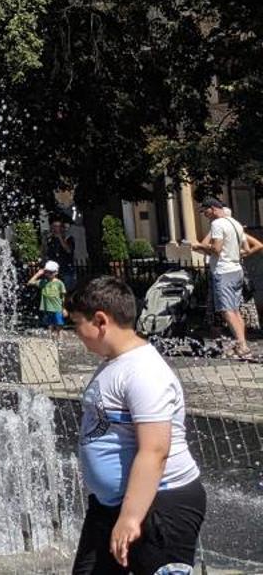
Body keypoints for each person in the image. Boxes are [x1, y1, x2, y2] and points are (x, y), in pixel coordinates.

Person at [67, 275, 205, 574]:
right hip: (113, 506)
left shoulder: (144, 371)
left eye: (77, 323)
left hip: (159, 505)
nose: (75, 333)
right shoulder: (116, 363)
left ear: (101, 320)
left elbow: (155, 449)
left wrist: (130, 517)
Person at [190, 198, 259, 359]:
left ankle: (242, 346)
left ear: (213, 209)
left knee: (227, 310)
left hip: (224, 272)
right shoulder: (235, 223)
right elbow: (247, 248)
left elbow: (216, 249)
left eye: (205, 211)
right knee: (235, 309)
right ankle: (242, 343)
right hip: (236, 270)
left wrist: (198, 246)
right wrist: (232, 254)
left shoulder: (217, 224)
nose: (205, 215)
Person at [28, 259, 68, 331]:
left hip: (57, 308)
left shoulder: (59, 283)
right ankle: (52, 340)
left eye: (50, 272)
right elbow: (30, 282)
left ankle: (60, 340)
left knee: (59, 325)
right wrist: (38, 274)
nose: (47, 274)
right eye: (46, 272)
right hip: (47, 308)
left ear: (56, 272)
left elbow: (63, 297)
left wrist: (64, 308)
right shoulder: (43, 282)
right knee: (50, 326)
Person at [47, 218, 80, 289]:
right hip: (54, 270)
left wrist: (60, 238)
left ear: (62, 228)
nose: (55, 228)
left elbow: (68, 250)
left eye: (57, 226)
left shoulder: (68, 238)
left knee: (68, 289)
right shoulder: (50, 240)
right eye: (54, 226)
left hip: (66, 268)